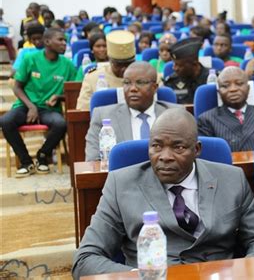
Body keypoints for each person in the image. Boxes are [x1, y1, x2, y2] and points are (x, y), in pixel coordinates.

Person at [73, 108, 254, 277]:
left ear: (196, 149)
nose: (165, 157)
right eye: (156, 146)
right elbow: (86, 258)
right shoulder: (121, 184)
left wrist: (245, 272)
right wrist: (140, 277)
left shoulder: (232, 179)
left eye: (178, 147)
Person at [0, 28, 76, 177]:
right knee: (6, 121)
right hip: (26, 106)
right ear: (47, 42)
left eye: (65, 40)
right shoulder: (31, 59)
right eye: (60, 40)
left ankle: (43, 156)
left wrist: (59, 97)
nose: (64, 43)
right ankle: (26, 162)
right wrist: (31, 106)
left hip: (49, 109)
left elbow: (73, 92)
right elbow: (17, 87)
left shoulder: (68, 64)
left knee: (61, 124)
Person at [84, 62, 179, 161]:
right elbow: (93, 161)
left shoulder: (176, 115)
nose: (133, 89)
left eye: (140, 82)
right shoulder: (103, 116)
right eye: (127, 83)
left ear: (154, 88)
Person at [198, 67, 254, 152]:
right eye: (225, 86)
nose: (233, 89)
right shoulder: (206, 120)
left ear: (248, 89)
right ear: (219, 92)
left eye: (239, 84)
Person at [76, 30, 136, 110]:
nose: (124, 69)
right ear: (111, 61)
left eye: (128, 64)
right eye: (119, 65)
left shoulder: (147, 77)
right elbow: (82, 110)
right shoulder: (93, 78)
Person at [164, 37, 209, 104]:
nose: (174, 68)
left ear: (194, 64)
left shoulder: (211, 79)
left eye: (179, 65)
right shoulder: (172, 82)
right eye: (174, 64)